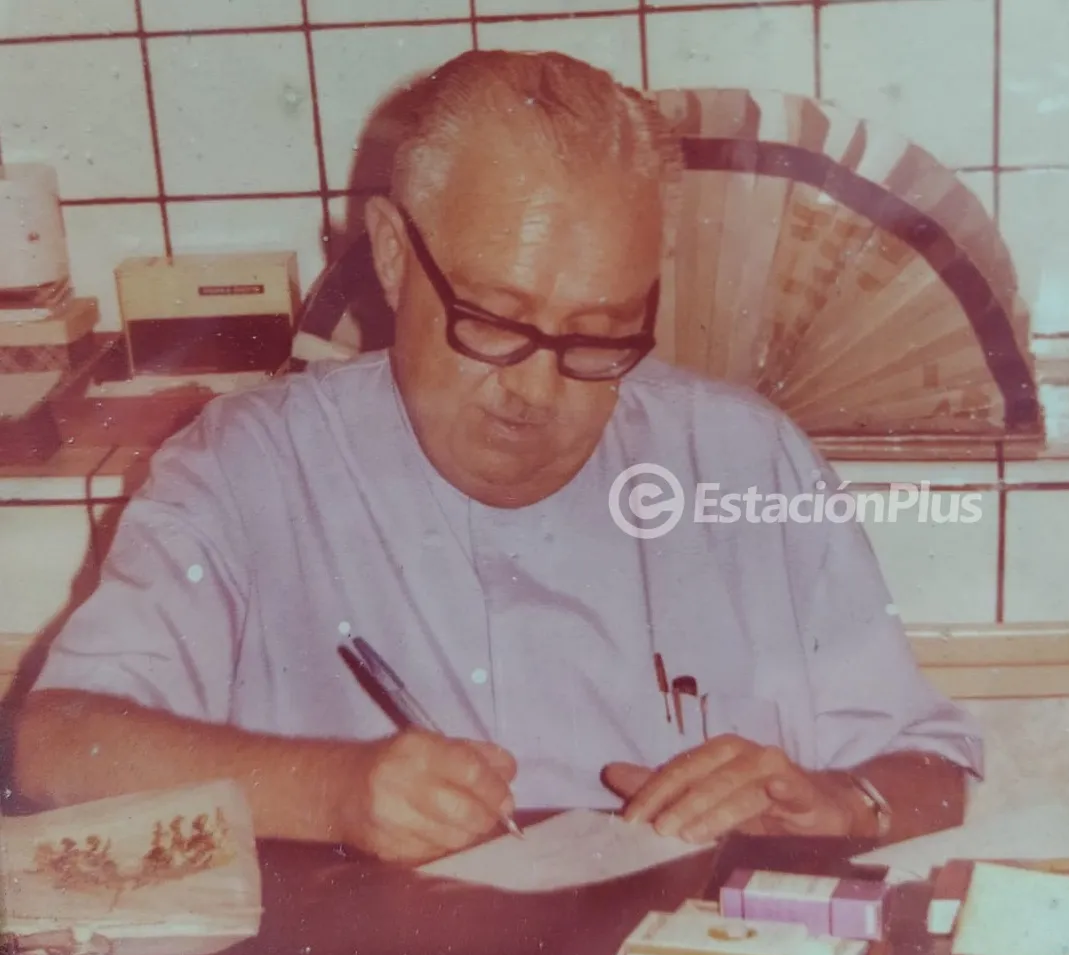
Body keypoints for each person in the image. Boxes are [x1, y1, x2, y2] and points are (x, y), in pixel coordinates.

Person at [13, 50, 983, 865]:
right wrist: (335, 791)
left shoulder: (746, 461)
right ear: (394, 257)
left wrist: (841, 800)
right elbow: (54, 745)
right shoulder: (247, 469)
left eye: (599, 337)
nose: (537, 387)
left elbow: (932, 771)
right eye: (492, 322)